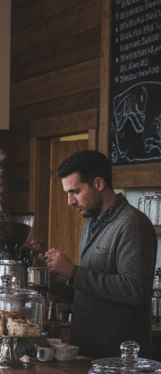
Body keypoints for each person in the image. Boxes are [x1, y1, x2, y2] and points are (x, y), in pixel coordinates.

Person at [44, 149, 157, 358]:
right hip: (90, 353)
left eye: (75, 192)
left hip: (120, 361)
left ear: (98, 184)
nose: (70, 201)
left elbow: (135, 290)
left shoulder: (132, 224)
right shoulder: (91, 223)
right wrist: (55, 284)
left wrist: (73, 272)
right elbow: (95, 289)